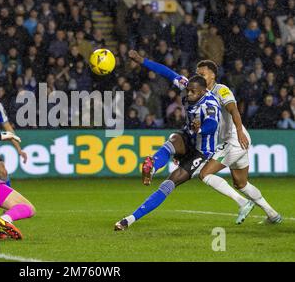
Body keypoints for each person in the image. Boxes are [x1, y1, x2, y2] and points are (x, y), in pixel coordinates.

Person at [128, 50, 281, 224]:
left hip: (233, 140)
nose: (198, 76)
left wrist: (238, 131)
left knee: (204, 173)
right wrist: (142, 60)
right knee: (241, 183)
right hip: (230, 141)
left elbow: (233, 110)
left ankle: (243, 203)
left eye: (202, 74)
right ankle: (272, 214)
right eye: (197, 73)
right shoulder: (193, 88)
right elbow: (167, 72)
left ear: (213, 75)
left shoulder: (221, 91)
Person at [115, 75, 221, 230]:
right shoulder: (187, 88)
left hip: (202, 151)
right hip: (188, 138)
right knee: (173, 139)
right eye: (188, 90)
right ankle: (152, 167)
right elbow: (168, 73)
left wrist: (201, 129)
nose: (189, 94)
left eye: (193, 92)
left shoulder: (210, 104)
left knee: (168, 185)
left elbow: (212, 125)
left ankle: (130, 219)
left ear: (204, 91)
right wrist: (142, 61)